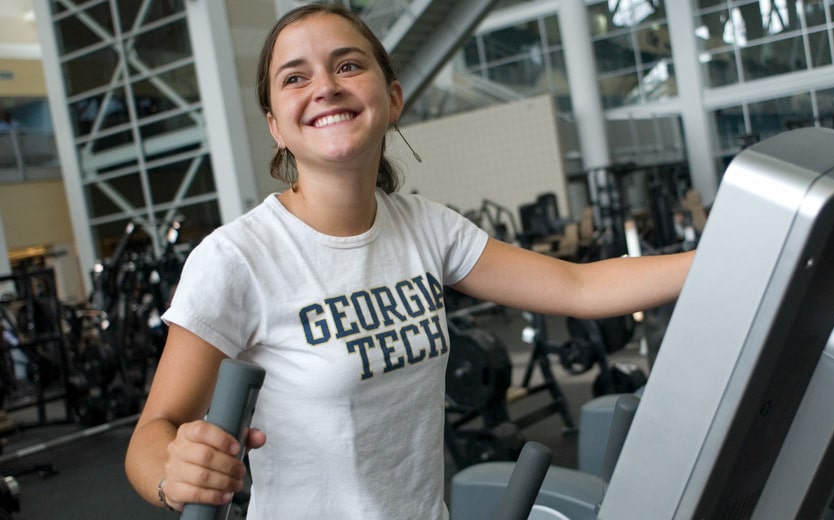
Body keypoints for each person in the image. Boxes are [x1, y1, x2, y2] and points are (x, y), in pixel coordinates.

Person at [124, 4, 695, 519]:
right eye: (295, 77)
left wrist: (734, 256)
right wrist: (174, 474)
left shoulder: (425, 226)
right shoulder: (238, 257)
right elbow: (151, 437)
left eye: (347, 66)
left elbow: (576, 286)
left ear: (392, 97)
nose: (324, 86)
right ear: (276, 125)